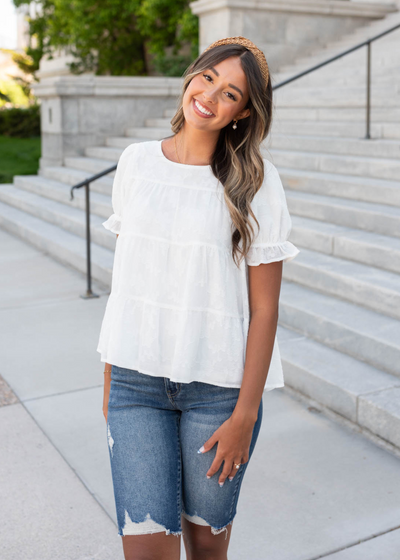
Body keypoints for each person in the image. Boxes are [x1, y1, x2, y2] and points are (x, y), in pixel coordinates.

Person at [97, 35, 299, 560]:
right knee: (144, 550)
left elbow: (265, 310)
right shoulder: (136, 163)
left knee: (207, 548)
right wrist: (111, 378)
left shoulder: (255, 183)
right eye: (208, 77)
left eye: (230, 93)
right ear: (193, 75)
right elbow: (127, 286)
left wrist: (245, 415)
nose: (210, 95)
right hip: (135, 388)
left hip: (219, 394)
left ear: (243, 112)